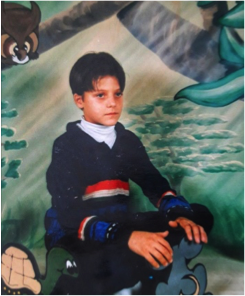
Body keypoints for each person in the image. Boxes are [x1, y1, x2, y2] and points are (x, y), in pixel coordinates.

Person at [45, 52, 213, 295]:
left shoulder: (127, 141)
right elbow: (70, 215)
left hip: (120, 223)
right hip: (77, 233)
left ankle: (151, 256)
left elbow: (154, 184)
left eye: (117, 94)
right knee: (90, 260)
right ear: (79, 100)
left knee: (199, 215)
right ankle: (141, 265)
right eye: (100, 95)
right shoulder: (66, 146)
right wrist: (128, 237)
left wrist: (179, 215)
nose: (112, 102)